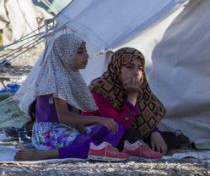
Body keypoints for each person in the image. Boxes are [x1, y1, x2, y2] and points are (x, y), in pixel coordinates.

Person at [15, 33, 128, 161]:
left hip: (68, 130)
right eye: (80, 52)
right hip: (50, 133)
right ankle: (44, 154)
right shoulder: (59, 78)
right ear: (65, 54)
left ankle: (98, 148)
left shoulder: (70, 74)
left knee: (116, 126)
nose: (86, 56)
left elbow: (73, 112)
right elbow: (64, 117)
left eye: (85, 51)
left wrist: (83, 130)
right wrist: (100, 120)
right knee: (87, 143)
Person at [85, 48, 167, 159]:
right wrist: (132, 97)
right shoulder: (100, 89)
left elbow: (147, 118)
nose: (136, 73)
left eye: (140, 68)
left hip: (125, 132)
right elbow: (119, 127)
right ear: (117, 67)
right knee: (132, 135)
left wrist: (155, 132)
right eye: (129, 67)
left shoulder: (139, 88)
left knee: (170, 137)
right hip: (100, 134)